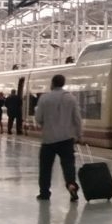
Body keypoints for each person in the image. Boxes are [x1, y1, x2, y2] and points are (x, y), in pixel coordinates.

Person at [34, 74, 83, 202]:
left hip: (48, 140)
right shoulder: (71, 98)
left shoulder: (45, 98)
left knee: (45, 168)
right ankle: (71, 184)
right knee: (68, 165)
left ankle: (44, 193)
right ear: (63, 83)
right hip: (67, 139)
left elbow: (38, 118)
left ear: (52, 83)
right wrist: (79, 135)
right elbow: (77, 119)